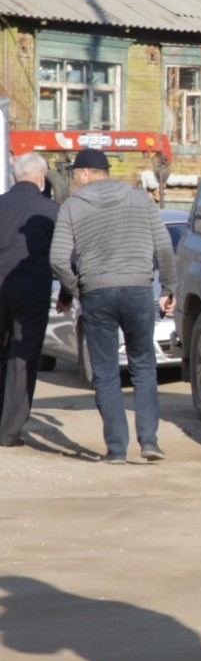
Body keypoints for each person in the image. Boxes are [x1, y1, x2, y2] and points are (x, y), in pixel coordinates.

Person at [49, 149, 177, 464]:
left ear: (84, 174)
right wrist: (170, 288)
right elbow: (163, 246)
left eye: (75, 175)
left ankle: (117, 450)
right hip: (137, 289)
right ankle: (149, 443)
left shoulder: (72, 206)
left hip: (97, 293)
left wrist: (76, 288)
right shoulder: (140, 199)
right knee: (144, 367)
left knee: (106, 372)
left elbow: (57, 258)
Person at [0, 153, 61, 448]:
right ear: (41, 177)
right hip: (33, 295)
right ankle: (9, 431)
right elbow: (65, 258)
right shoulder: (52, 210)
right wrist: (69, 292)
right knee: (22, 360)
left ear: (14, 177)